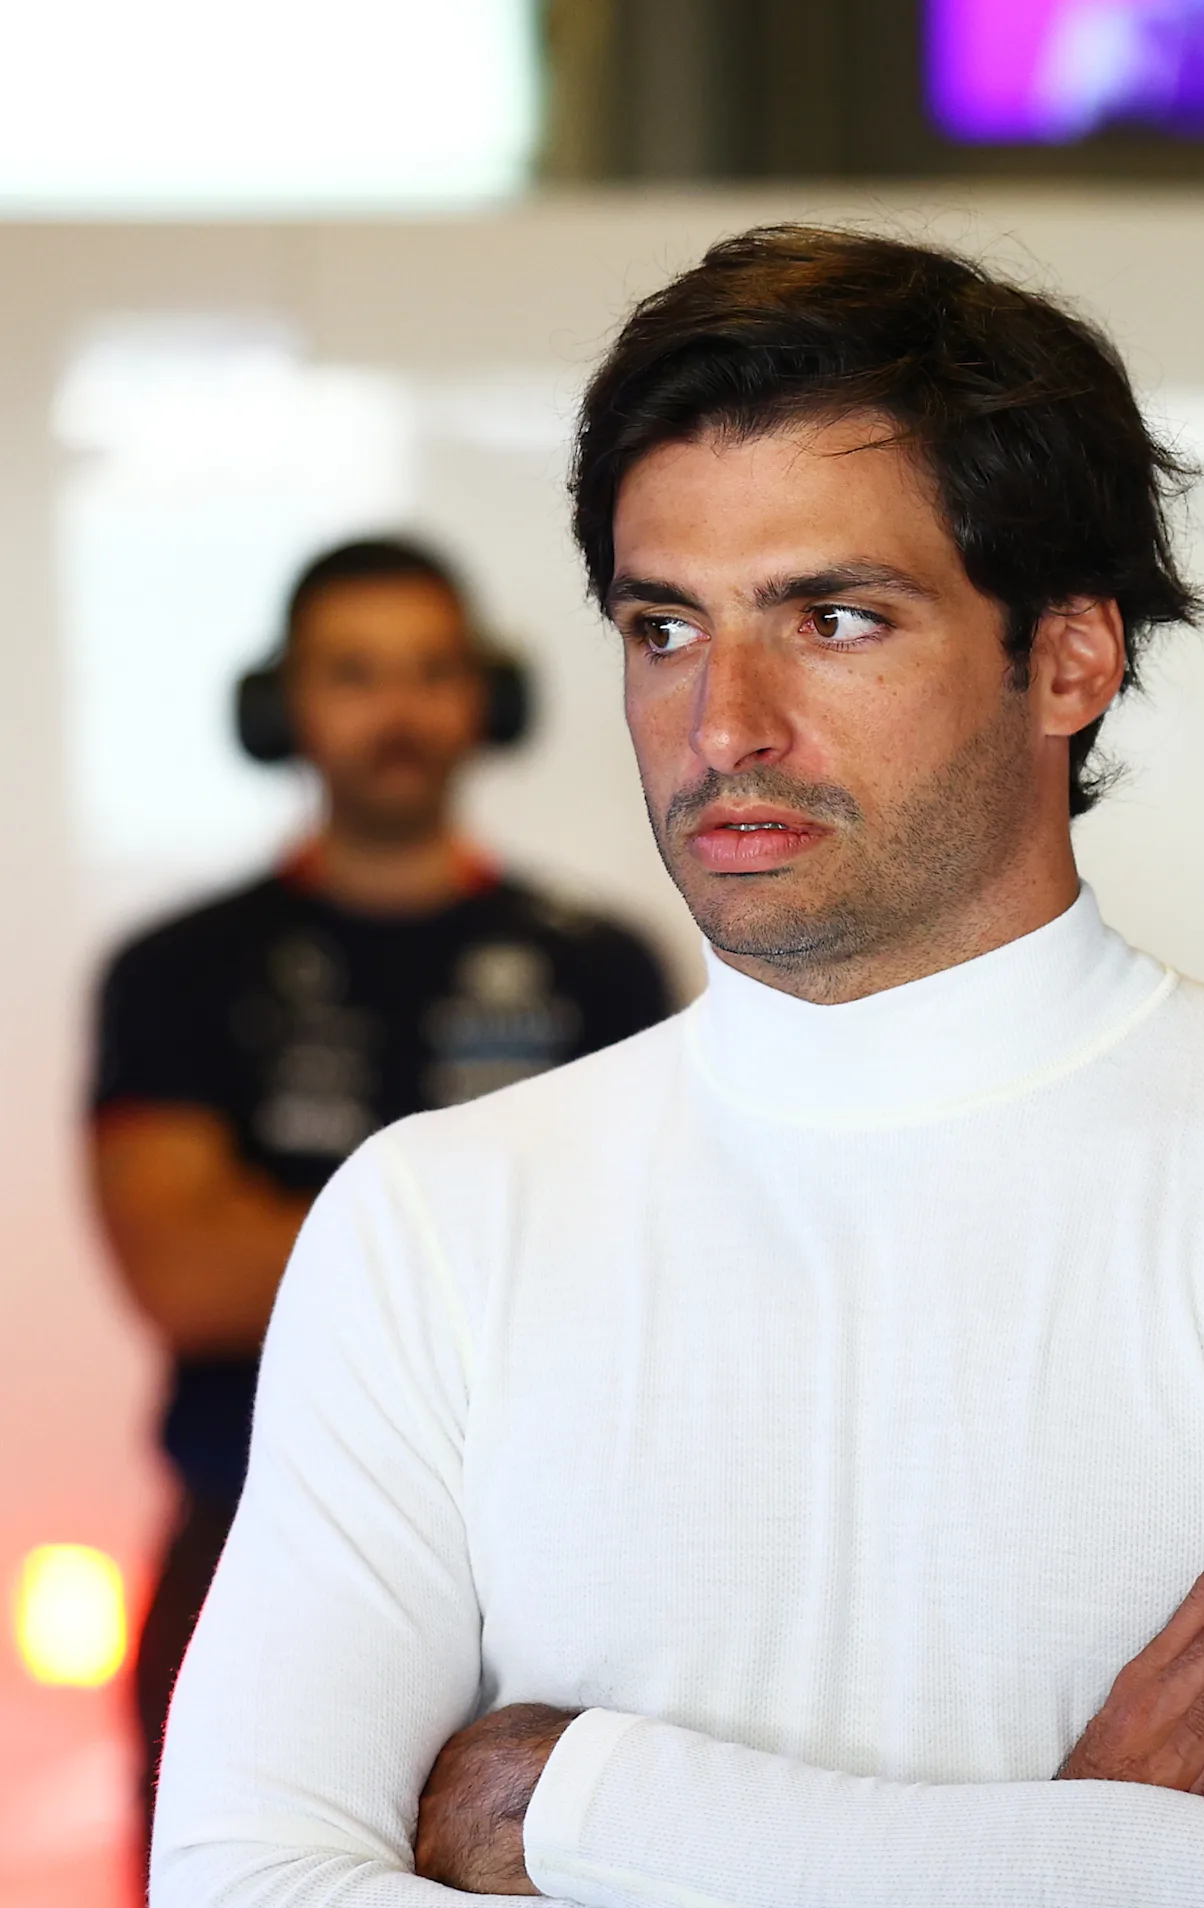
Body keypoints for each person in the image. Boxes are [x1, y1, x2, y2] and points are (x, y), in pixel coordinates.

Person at [152, 226, 1204, 1907]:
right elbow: (247, 1885)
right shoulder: (432, 1219)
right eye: (664, 627)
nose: (725, 722)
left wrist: (563, 1801)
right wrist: (1076, 1830)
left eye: (832, 616)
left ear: (1071, 658)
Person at [90, 537, 672, 1846]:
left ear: (488, 699)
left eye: (430, 671)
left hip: (558, 1569)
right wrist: (514, 1241)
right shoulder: (179, 972)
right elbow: (186, 1274)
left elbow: (656, 1275)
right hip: (248, 1551)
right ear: (281, 706)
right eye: (354, 673)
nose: (397, 711)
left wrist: (297, 1238)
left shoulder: (606, 971)